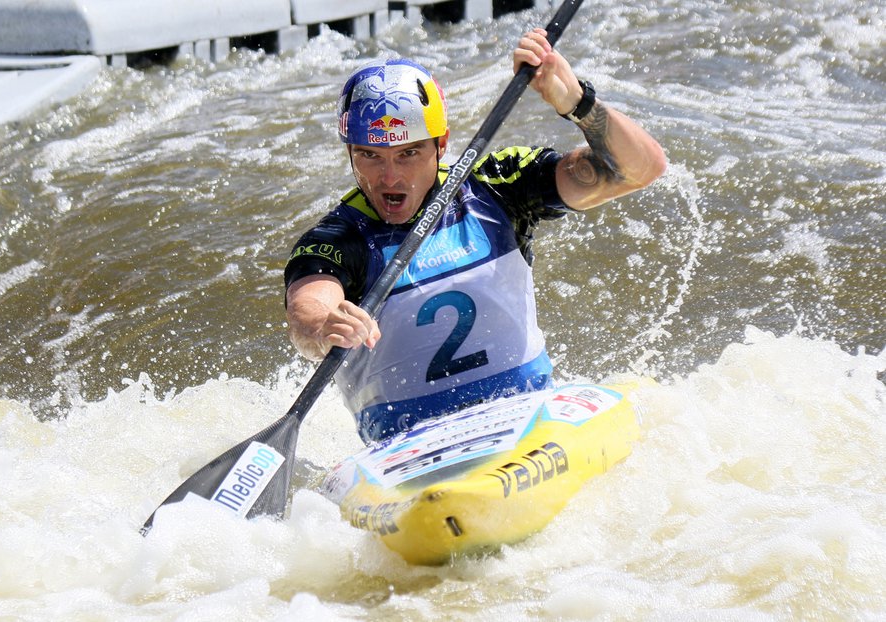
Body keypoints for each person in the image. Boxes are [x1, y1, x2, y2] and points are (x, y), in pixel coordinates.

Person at [283, 28, 666, 444]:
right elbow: (307, 311)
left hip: (525, 418)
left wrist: (578, 102)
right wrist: (325, 328)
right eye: (369, 155)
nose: (388, 176)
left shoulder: (498, 187)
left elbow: (642, 169)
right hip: (406, 444)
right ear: (351, 153)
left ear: (441, 144)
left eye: (408, 153)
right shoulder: (337, 239)